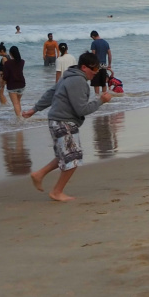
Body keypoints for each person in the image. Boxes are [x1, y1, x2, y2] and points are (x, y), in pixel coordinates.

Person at [22, 52, 112, 202]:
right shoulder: (78, 81)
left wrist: (35, 109)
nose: (96, 72)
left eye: (97, 69)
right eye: (94, 69)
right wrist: (101, 101)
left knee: (64, 155)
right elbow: (81, 110)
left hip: (57, 120)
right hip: (64, 121)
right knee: (73, 157)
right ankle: (57, 192)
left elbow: (51, 93)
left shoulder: (68, 75)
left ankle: (39, 174)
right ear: (84, 67)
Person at [2, 45, 26, 118]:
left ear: (11, 53)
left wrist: (3, 83)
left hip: (12, 85)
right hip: (21, 84)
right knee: (18, 102)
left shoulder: (7, 63)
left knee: (15, 103)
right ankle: (20, 116)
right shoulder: (22, 61)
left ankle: (19, 118)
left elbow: (6, 75)